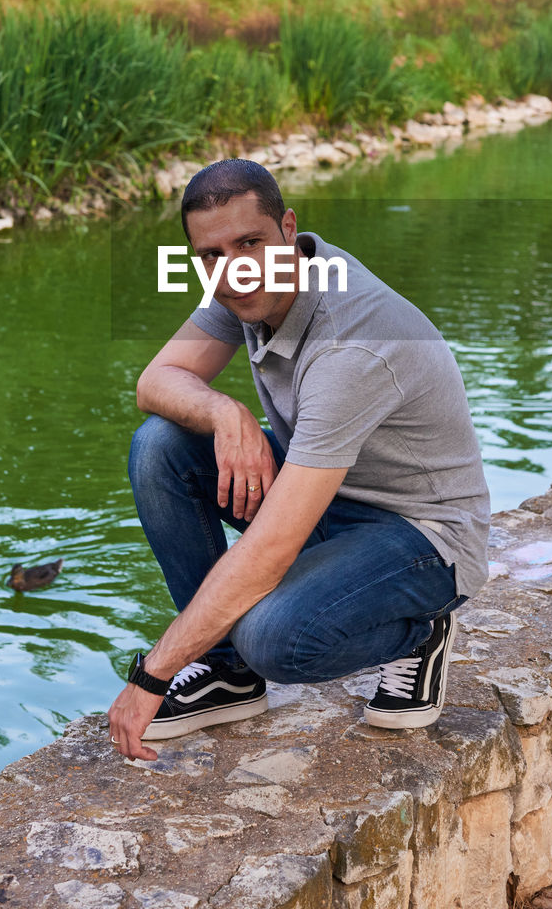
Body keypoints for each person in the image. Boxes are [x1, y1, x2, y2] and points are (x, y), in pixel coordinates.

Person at [107, 159, 490, 762]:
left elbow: (268, 553)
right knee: (160, 445)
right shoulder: (245, 285)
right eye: (211, 255)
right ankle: (225, 673)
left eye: (250, 243)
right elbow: (156, 382)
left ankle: (423, 626)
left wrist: (152, 674)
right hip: (327, 491)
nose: (233, 269)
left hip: (421, 534)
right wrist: (224, 413)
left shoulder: (350, 344)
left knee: (275, 637)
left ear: (288, 230)